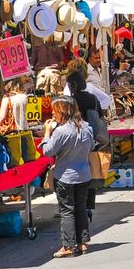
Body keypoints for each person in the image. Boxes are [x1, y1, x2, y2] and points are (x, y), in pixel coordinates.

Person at [41, 95, 94, 258]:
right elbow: (91, 147)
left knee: (67, 211)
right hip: (84, 174)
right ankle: (83, 242)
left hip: (65, 176)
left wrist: (47, 133)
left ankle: (68, 245)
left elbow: (47, 151)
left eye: (55, 111)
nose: (53, 114)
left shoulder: (60, 131)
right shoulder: (87, 127)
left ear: (62, 111)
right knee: (80, 208)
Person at [67, 70, 108, 229]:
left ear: (74, 85)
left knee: (77, 173)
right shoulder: (93, 98)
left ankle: (79, 205)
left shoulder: (72, 101)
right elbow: (99, 117)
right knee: (88, 172)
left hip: (75, 141)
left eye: (70, 84)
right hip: (92, 140)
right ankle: (88, 207)